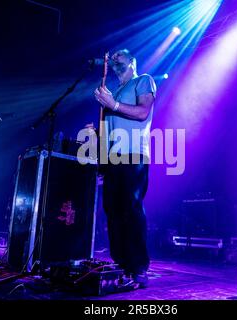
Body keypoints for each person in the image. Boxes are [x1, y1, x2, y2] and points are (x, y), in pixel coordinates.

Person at [94, 49, 156, 288]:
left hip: (134, 153)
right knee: (112, 210)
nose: (114, 56)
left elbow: (143, 113)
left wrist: (114, 103)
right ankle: (121, 263)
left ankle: (139, 268)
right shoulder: (115, 91)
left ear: (131, 61)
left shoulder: (143, 80)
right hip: (111, 158)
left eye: (120, 54)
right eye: (113, 55)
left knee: (131, 208)